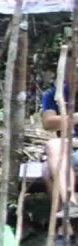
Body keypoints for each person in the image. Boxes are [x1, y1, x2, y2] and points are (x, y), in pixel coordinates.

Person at [39, 81, 78, 214]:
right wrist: (74, 118)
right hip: (71, 147)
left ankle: (64, 229)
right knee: (53, 146)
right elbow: (48, 123)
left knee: (47, 171)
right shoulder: (54, 94)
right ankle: (70, 203)